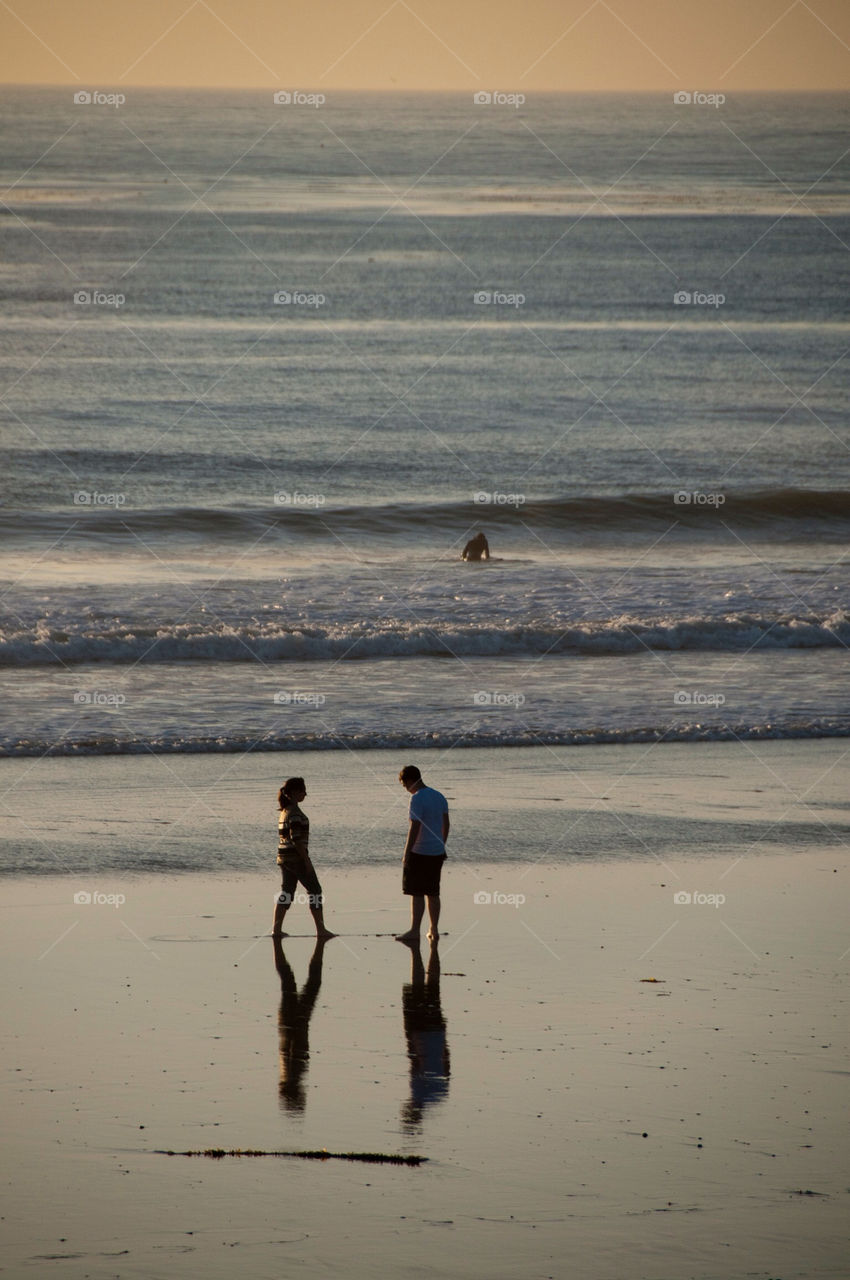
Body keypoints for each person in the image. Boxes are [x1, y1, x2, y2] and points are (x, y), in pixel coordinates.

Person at [272, 777, 335, 940]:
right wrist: (306, 861)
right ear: (294, 792)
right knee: (315, 890)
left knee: (286, 892)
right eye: (302, 790)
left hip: (284, 858)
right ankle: (321, 930)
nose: (305, 794)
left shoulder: (284, 812)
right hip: (296, 858)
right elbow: (296, 838)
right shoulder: (294, 813)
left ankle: (276, 930)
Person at [396, 764, 450, 943]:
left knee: (417, 893)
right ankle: (433, 929)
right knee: (433, 892)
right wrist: (441, 843)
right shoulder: (439, 796)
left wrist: (407, 852)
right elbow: (446, 823)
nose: (406, 790)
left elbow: (415, 826)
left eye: (405, 785)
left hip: (420, 851)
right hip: (437, 850)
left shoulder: (417, 799)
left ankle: (414, 930)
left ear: (410, 781)